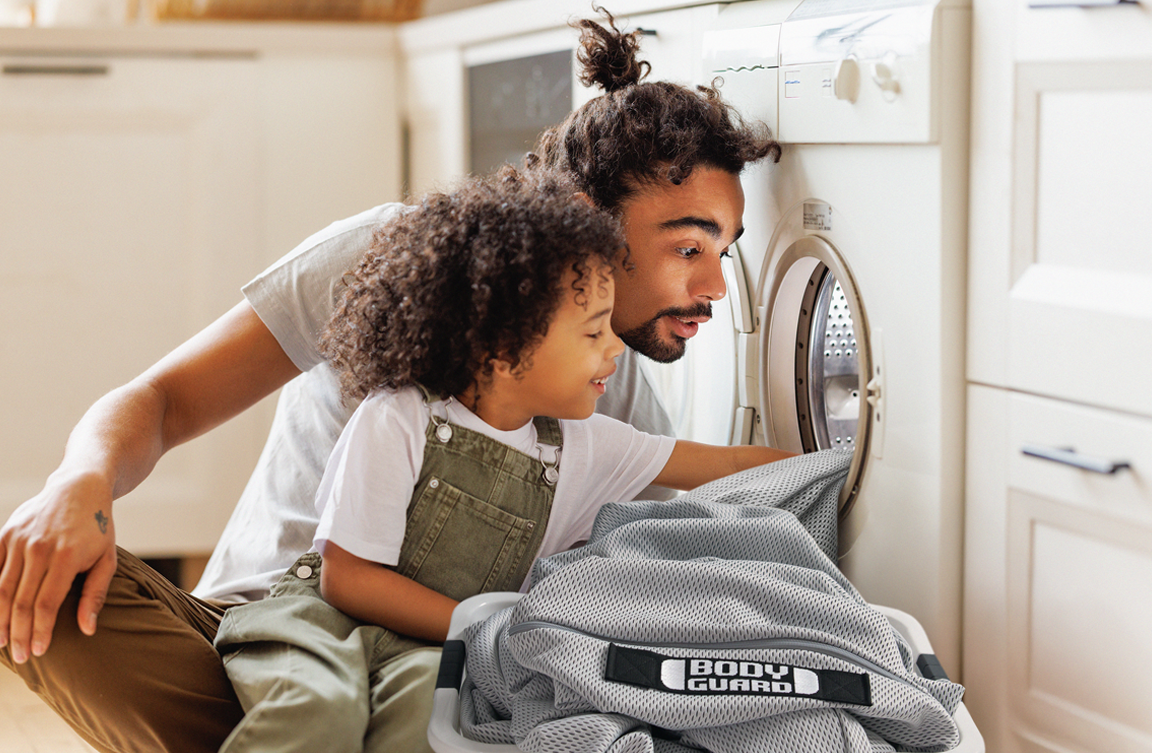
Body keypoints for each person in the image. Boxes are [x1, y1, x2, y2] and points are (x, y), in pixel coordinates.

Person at [0, 8, 781, 753]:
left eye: (728, 250)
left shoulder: (613, 403)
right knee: (29, 577)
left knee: (420, 714)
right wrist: (81, 481)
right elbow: (165, 401)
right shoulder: (394, 260)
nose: (715, 286)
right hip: (264, 636)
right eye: (688, 248)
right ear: (589, 217)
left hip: (424, 673)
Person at [213, 167, 791, 752]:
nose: (615, 346)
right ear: (505, 345)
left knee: (432, 717)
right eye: (593, 333)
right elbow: (348, 579)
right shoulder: (401, 418)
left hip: (424, 647)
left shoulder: (586, 443)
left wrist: (843, 465)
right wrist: (488, 624)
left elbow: (729, 464)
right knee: (320, 708)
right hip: (320, 627)